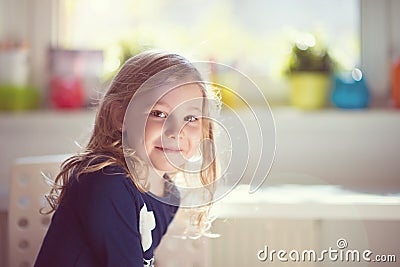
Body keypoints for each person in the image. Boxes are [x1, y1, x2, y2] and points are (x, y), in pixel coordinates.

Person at [34, 50, 220, 267]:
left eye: (191, 118)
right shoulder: (106, 181)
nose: (176, 131)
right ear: (121, 116)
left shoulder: (167, 195)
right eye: (158, 113)